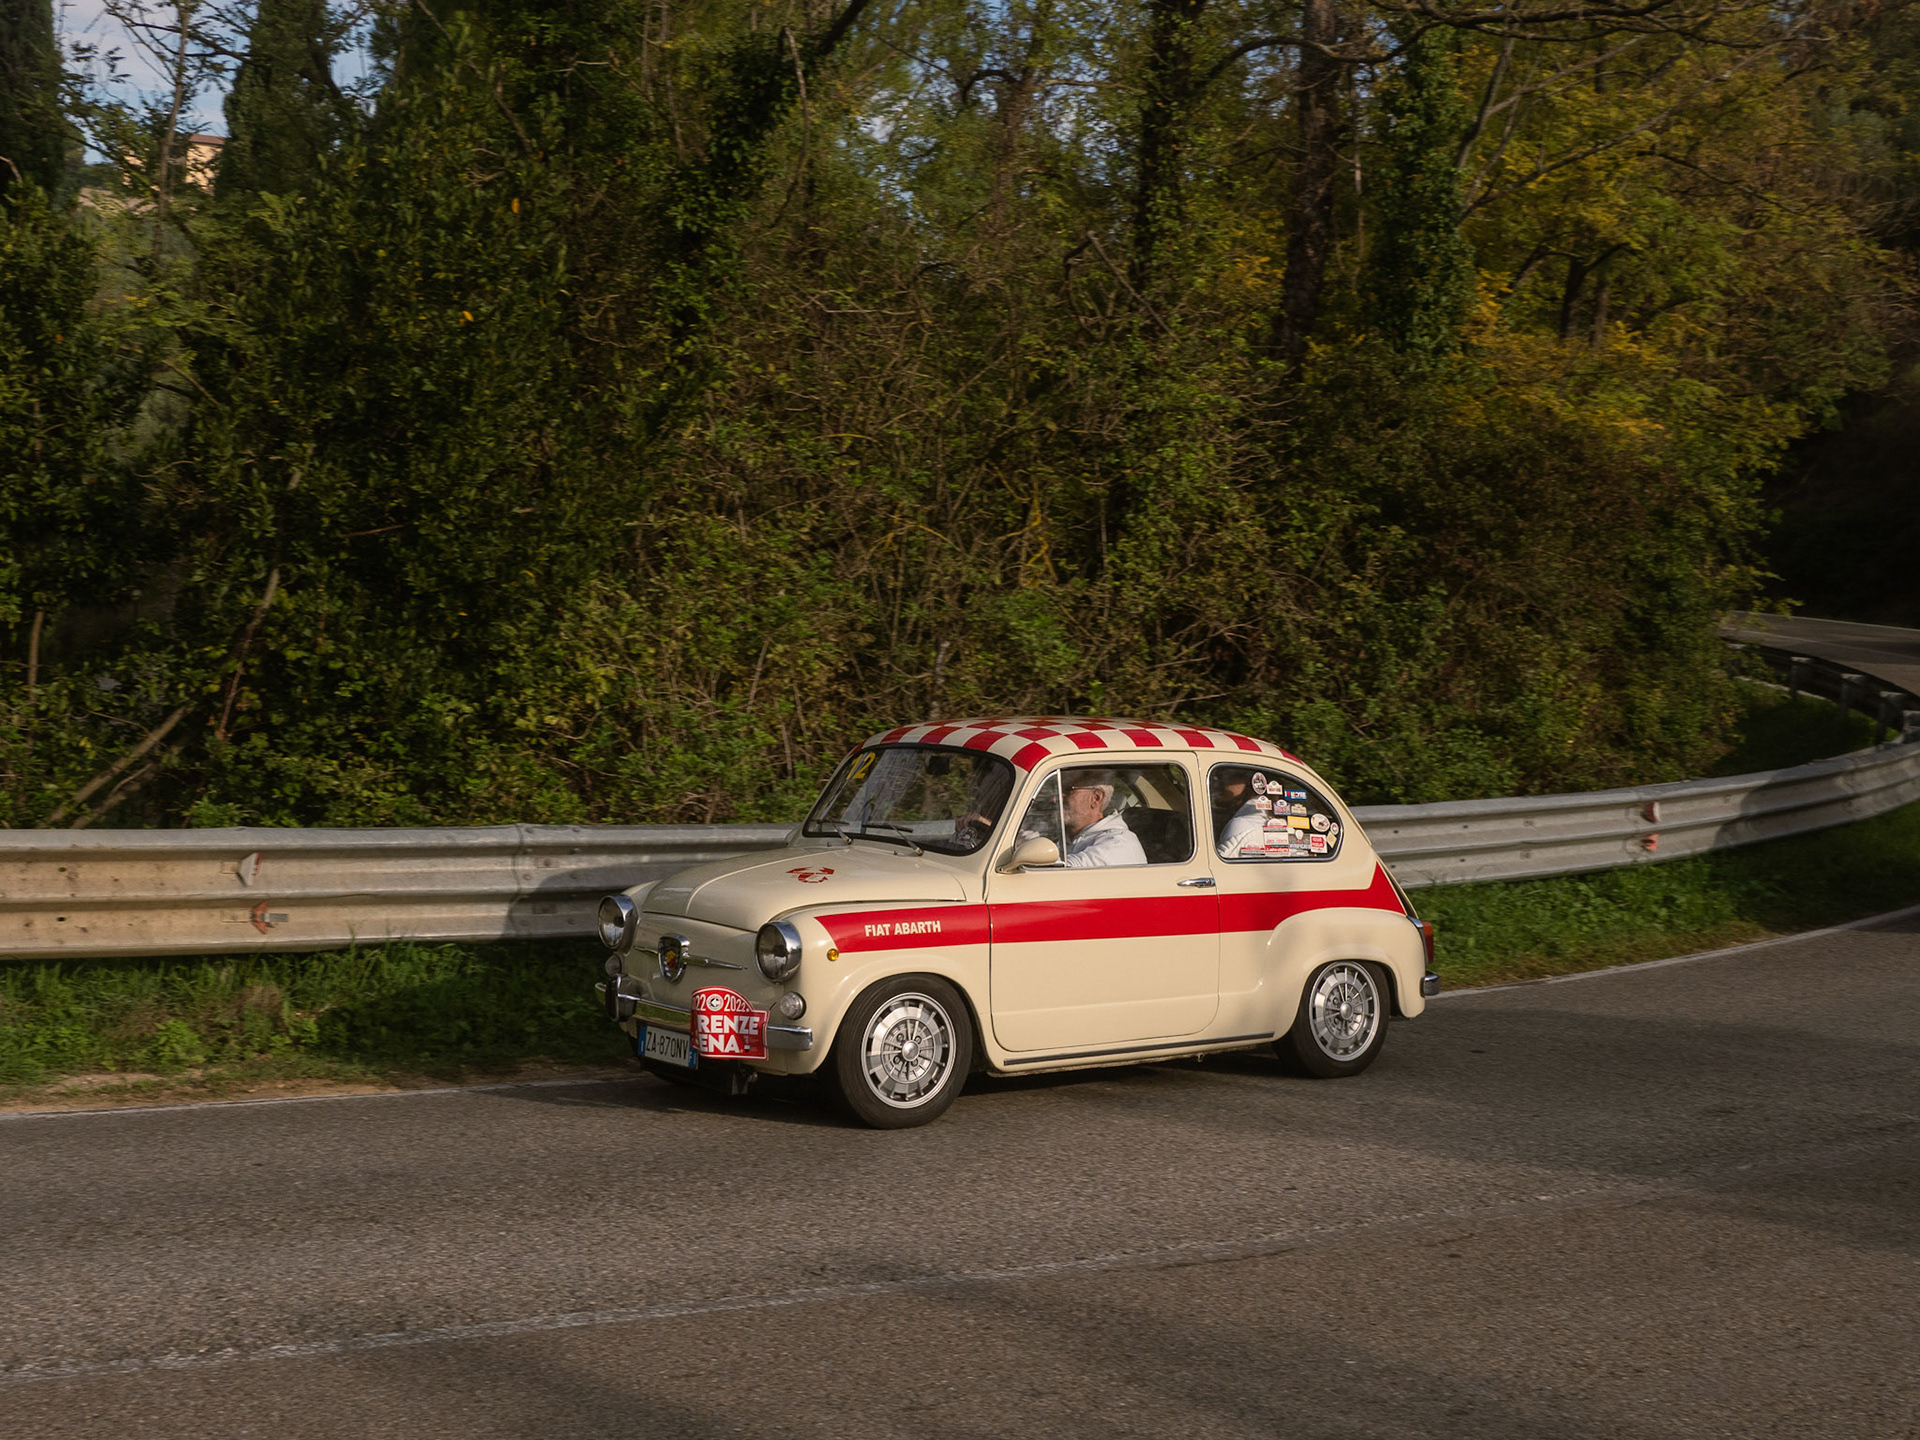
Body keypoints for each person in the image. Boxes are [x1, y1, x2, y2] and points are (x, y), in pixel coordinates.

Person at [1057, 772, 1147, 867]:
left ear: (1096, 798)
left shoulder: (1118, 843)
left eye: (1067, 791)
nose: (1056, 798)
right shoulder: (1065, 837)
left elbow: (1063, 871)